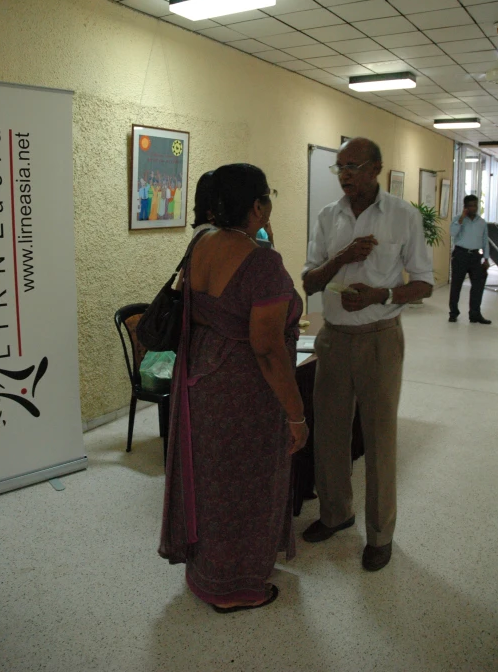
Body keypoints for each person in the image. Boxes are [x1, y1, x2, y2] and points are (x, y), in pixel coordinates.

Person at [159, 163, 308, 611]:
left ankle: (205, 573)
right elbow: (266, 348)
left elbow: (202, 310)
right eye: (267, 200)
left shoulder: (200, 243)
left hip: (203, 381)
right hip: (245, 390)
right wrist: (297, 413)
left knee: (211, 479)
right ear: (258, 205)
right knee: (247, 484)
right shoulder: (261, 263)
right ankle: (234, 588)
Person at [302, 137, 433, 572]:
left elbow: (425, 283)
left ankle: (380, 535)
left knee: (378, 438)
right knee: (330, 433)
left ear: (376, 168)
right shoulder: (328, 216)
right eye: (339, 167)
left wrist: (382, 293)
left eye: (353, 166)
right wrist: (343, 257)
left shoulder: (402, 216)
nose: (344, 175)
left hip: (380, 339)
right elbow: (310, 282)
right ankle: (336, 514)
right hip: (334, 338)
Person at [449, 194, 491, 324]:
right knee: (456, 285)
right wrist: (462, 217)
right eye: (470, 206)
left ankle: (475, 314)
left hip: (475, 257)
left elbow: (485, 241)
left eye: (475, 205)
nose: (474, 208)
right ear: (465, 207)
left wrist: (486, 258)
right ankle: (453, 313)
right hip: (460, 255)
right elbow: (452, 233)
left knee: (478, 286)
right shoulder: (458, 219)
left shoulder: (482, 222)